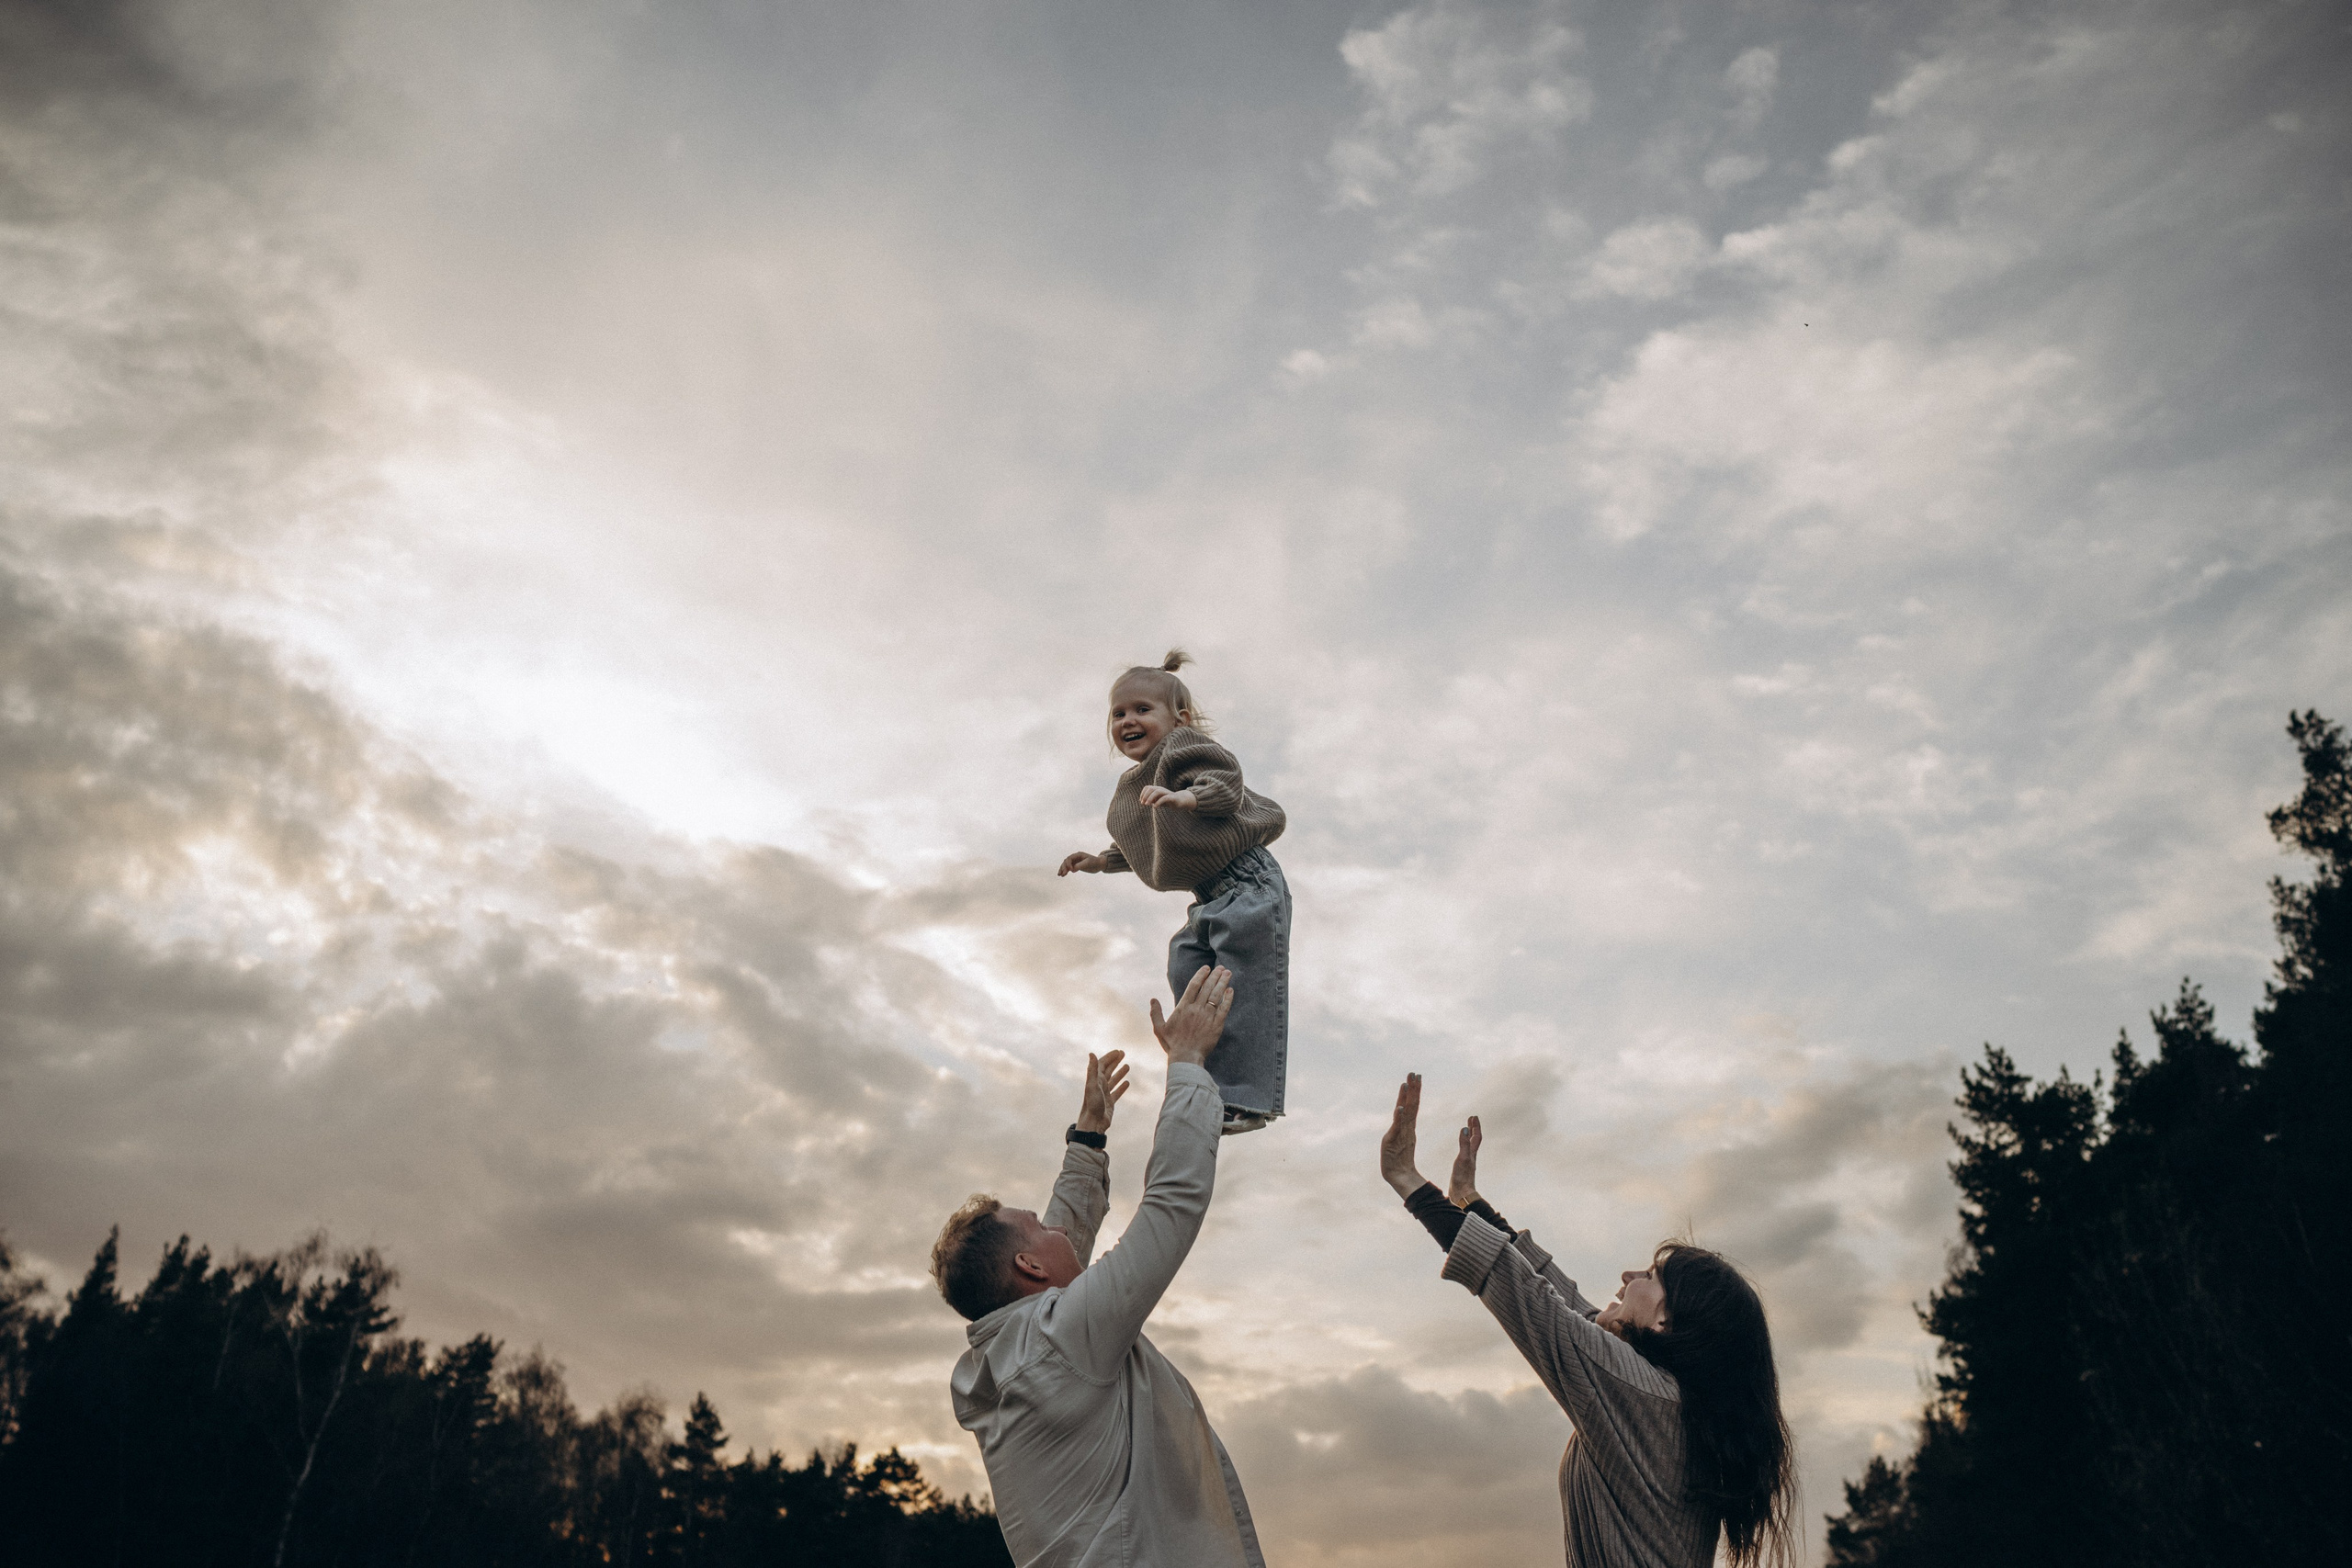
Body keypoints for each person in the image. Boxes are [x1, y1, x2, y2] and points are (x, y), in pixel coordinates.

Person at [1377, 1074, 1797, 1568]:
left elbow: (1534, 1302)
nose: (1628, 1275)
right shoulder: (1665, 1396)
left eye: (1653, 1275)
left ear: (1668, 1323)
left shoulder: (1646, 1396)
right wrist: (1470, 1202)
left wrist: (1408, 1181)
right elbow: (1563, 1301)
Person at [933, 965, 1266, 1568]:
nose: (1059, 1225)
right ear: (1029, 1264)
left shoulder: (1020, 1353)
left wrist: (1087, 1138)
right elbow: (1171, 1206)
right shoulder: (1060, 1344)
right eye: (1039, 1224)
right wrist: (1189, 1064)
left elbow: (1063, 1245)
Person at [1057, 650, 1289, 1135]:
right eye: (1118, 714)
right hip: (1208, 896)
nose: (1127, 721)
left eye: (1142, 709)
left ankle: (1248, 1100)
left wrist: (1189, 797)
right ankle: (1211, 1084)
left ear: (1178, 718)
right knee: (1188, 969)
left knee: (1242, 983)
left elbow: (1225, 784)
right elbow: (1148, 843)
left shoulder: (1186, 748)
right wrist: (1102, 861)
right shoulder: (1134, 784)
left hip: (1247, 881)